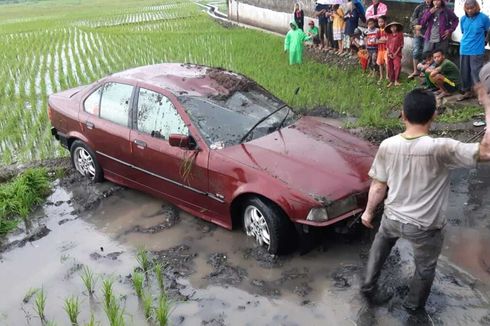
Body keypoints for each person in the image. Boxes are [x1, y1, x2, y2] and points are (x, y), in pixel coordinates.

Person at [361, 85, 490, 314]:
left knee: (380, 244)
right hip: (425, 226)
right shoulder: (442, 148)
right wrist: (487, 107)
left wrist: (368, 212)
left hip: (392, 217)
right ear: (433, 115)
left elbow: (379, 185)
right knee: (425, 267)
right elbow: (486, 153)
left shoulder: (387, 145)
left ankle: (368, 285)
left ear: (403, 113)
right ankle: (413, 306)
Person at [458, 0, 490, 101]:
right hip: (464, 48)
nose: (470, 10)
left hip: (477, 50)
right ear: (465, 9)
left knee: (476, 73)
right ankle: (467, 91)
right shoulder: (463, 19)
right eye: (467, 8)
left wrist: (485, 41)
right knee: (464, 72)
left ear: (476, 7)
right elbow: (464, 32)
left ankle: (481, 95)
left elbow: (487, 31)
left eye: (472, 8)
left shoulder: (484, 18)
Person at [408, 0, 433, 79]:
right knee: (416, 51)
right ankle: (415, 71)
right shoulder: (420, 6)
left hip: (429, 34)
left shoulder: (435, 7)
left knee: (426, 51)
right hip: (418, 32)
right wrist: (416, 26)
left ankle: (423, 71)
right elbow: (413, 18)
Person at [386, 21, 404, 87]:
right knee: (390, 67)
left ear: (397, 27)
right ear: (390, 28)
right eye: (391, 27)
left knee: (397, 66)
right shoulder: (389, 35)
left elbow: (400, 45)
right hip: (389, 54)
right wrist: (388, 53)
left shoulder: (400, 34)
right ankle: (391, 81)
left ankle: (396, 80)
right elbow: (387, 45)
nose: (393, 28)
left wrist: (395, 54)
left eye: (394, 26)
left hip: (397, 54)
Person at [376, 16, 388, 83]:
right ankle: (381, 76)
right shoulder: (378, 31)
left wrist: (380, 40)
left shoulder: (387, 30)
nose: (380, 23)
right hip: (380, 49)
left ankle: (387, 76)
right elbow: (376, 41)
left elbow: (388, 40)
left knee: (386, 63)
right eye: (379, 22)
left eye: (382, 22)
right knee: (380, 63)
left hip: (386, 49)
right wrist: (383, 40)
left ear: (385, 22)